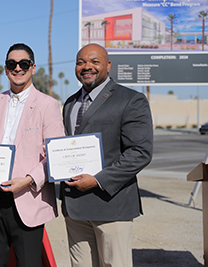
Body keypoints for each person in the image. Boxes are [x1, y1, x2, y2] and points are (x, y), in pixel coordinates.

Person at [0, 43, 65, 267]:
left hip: (28, 197)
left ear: (33, 67)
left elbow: (55, 154)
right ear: (5, 68)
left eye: (23, 64)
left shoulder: (48, 105)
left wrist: (29, 180)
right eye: (12, 64)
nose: (18, 68)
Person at [61, 43, 153, 267]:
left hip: (111, 204)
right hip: (75, 207)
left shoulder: (130, 99)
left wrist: (98, 180)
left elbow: (140, 152)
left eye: (94, 61)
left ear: (108, 65)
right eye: (81, 62)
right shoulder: (70, 103)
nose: (87, 67)